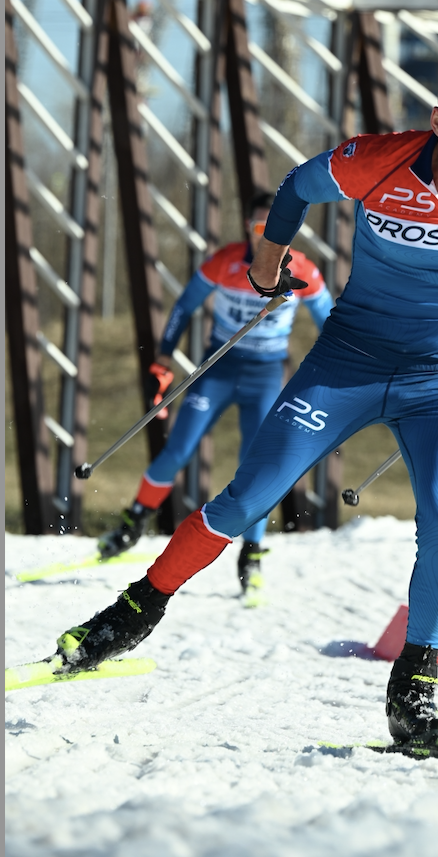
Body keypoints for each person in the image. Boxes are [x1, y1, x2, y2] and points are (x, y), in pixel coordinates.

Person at [46, 46, 438, 750]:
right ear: (437, 121)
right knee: (246, 500)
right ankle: (129, 613)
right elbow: (299, 187)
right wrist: (267, 266)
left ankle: (414, 688)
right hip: (347, 365)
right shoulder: (381, 160)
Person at [96, 193, 333, 594]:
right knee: (178, 449)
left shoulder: (303, 269)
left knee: (254, 465)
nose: (272, 236)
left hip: (265, 375)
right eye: (262, 228)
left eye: (282, 229)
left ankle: (252, 551)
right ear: (247, 227)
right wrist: (163, 358)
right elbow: (183, 307)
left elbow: (330, 319)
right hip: (218, 368)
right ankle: (133, 522)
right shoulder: (225, 263)